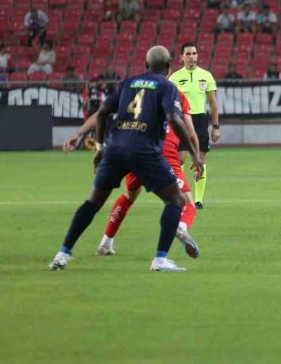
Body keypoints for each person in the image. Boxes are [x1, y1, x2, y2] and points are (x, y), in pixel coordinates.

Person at [48, 46, 204, 272]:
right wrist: (194, 154)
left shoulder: (127, 83)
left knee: (93, 202)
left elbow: (102, 113)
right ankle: (160, 259)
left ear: (146, 65)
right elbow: (174, 118)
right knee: (177, 201)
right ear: (170, 66)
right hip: (145, 150)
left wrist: (100, 147)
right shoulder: (167, 86)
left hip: (115, 147)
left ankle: (62, 254)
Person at [62, 91, 201, 258]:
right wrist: (196, 155)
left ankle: (105, 242)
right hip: (160, 154)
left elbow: (102, 113)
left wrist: (78, 134)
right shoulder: (176, 95)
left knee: (128, 196)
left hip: (133, 150)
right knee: (187, 204)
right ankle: (180, 229)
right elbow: (190, 132)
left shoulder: (134, 90)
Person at [169, 43, 220, 209]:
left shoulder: (206, 75)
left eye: (194, 53)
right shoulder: (174, 78)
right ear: (181, 57)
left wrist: (216, 126)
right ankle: (182, 195)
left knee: (201, 160)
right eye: (188, 53)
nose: (192, 56)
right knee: (180, 158)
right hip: (181, 120)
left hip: (200, 120)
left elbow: (213, 103)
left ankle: (198, 200)